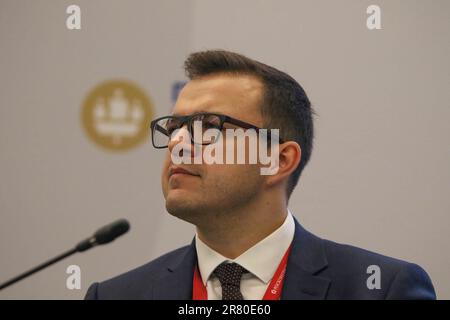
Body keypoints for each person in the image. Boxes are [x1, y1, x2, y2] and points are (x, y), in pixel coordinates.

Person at [85, 50, 435, 300]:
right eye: (174, 127)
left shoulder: (380, 289)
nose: (178, 142)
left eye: (208, 126)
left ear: (278, 160)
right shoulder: (117, 295)